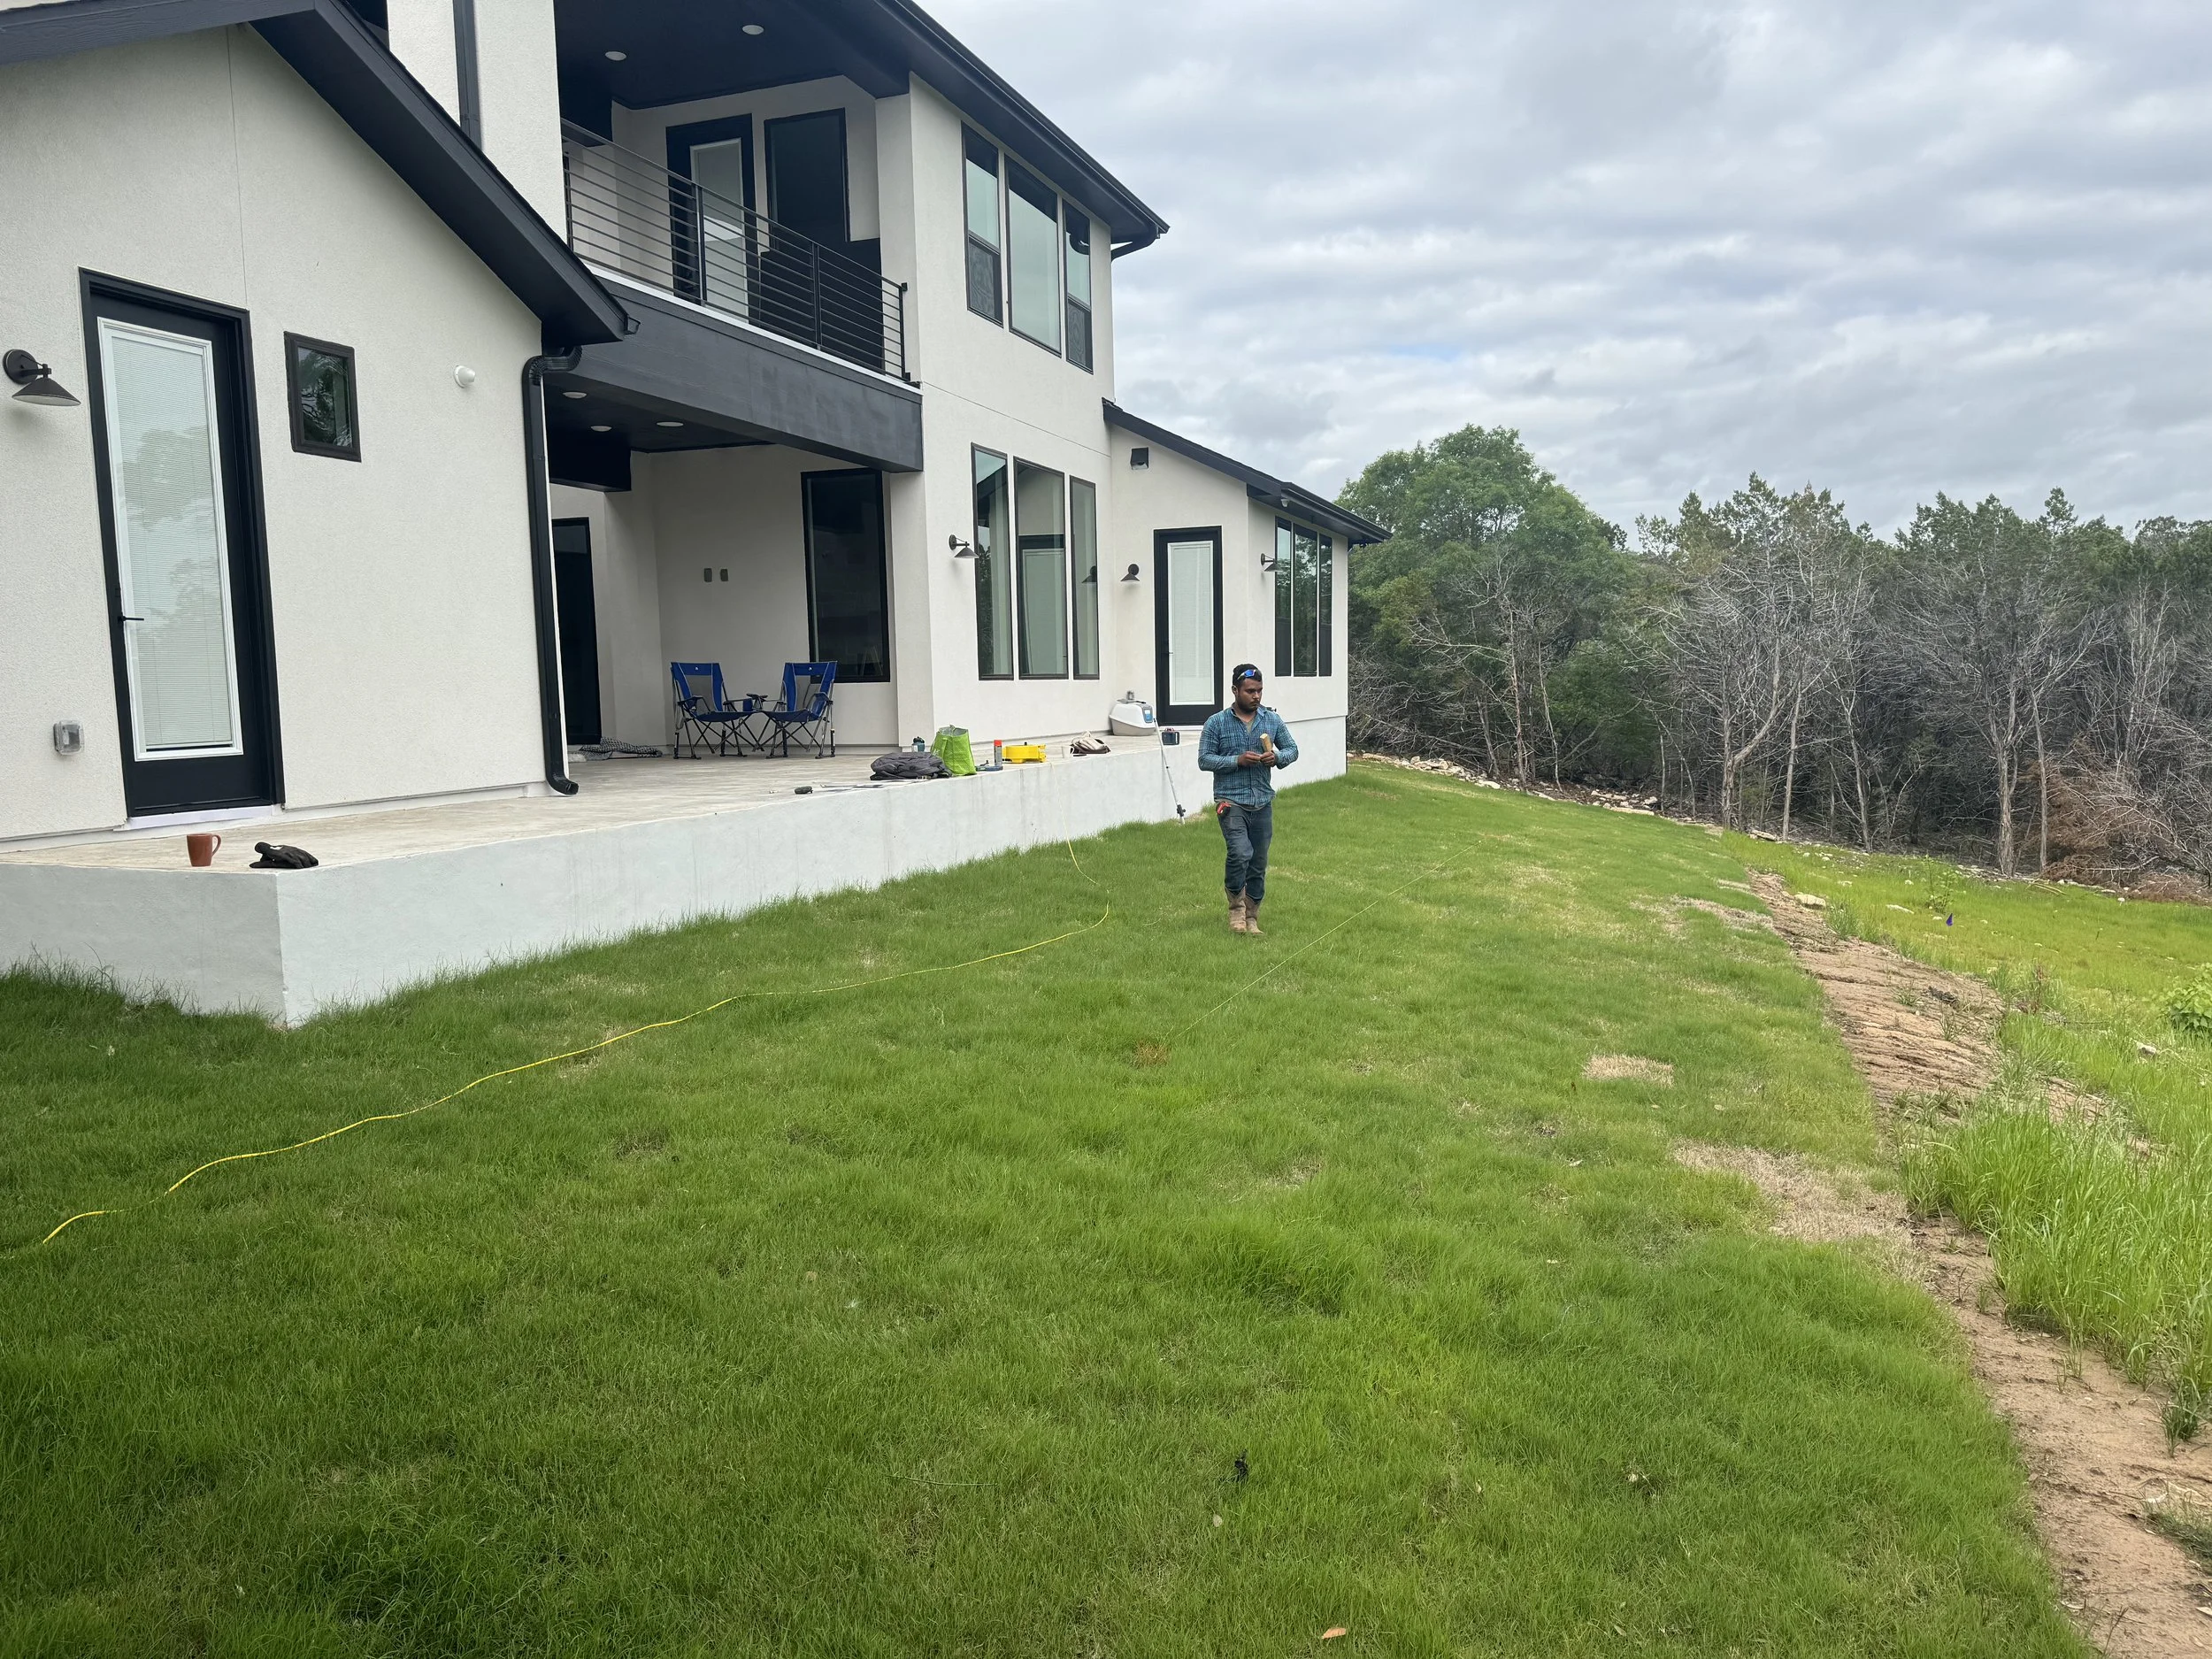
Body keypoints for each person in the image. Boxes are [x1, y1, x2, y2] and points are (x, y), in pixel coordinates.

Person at [1197, 664, 1299, 933]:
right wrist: (1237, 760)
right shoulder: (1216, 723)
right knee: (1240, 853)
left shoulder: (1272, 721)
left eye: (1260, 691)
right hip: (1230, 801)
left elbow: (1292, 749)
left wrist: (1276, 758)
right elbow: (1204, 760)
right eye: (1250, 691)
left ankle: (1252, 916)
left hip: (1262, 800)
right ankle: (1236, 911)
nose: (1256, 696)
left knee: (1259, 861)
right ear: (1235, 691)